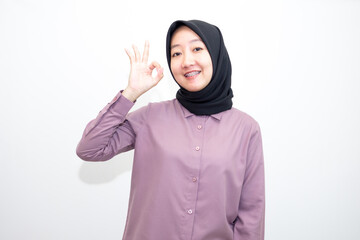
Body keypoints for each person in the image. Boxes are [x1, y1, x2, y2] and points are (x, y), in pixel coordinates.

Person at [76, 19, 265, 240]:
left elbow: (251, 214)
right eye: (176, 54)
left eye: (197, 49)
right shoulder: (150, 117)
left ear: (216, 55)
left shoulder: (246, 129)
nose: (186, 61)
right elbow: (89, 149)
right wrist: (130, 93)